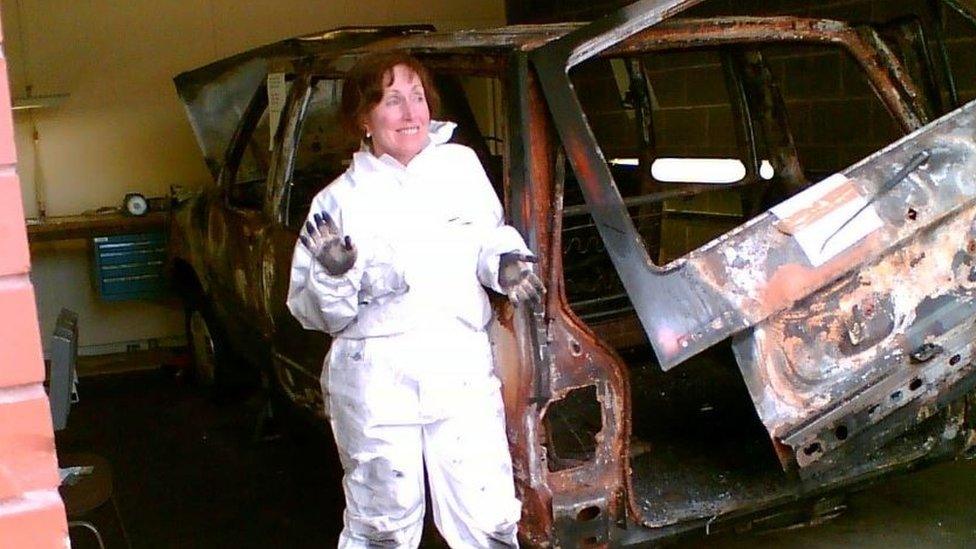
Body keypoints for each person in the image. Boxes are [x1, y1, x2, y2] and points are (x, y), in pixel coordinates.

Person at [286, 51, 545, 549]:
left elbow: (486, 238)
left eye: (418, 98)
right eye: (392, 101)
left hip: (459, 369)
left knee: (487, 513)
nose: (411, 113)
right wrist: (335, 275)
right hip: (377, 382)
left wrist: (507, 262)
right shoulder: (338, 202)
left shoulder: (460, 168)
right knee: (382, 523)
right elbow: (312, 313)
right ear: (363, 119)